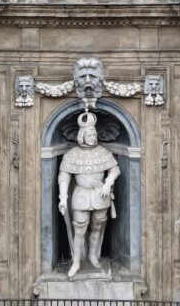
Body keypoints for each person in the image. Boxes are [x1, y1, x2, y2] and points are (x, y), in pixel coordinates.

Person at [57, 110, 120, 277]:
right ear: (82, 135)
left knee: (97, 227)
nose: (93, 137)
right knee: (79, 231)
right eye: (90, 135)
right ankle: (76, 261)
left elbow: (115, 169)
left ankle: (93, 255)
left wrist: (109, 181)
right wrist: (63, 197)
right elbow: (64, 177)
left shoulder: (103, 152)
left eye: (94, 134)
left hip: (101, 196)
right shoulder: (72, 154)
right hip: (81, 196)